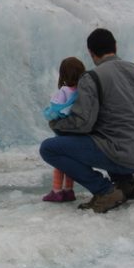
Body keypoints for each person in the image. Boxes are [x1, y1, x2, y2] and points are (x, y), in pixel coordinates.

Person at [39, 29, 134, 213]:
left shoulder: (92, 77)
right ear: (115, 47)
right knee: (111, 133)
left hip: (119, 154)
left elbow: (83, 123)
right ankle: (125, 185)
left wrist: (56, 125)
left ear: (91, 53)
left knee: (49, 148)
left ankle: (105, 190)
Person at [42, 57, 86, 202]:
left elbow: (54, 110)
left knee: (59, 161)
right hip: (76, 132)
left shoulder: (64, 90)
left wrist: (49, 115)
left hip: (63, 131)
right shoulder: (83, 91)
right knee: (70, 161)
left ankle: (56, 191)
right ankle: (69, 190)